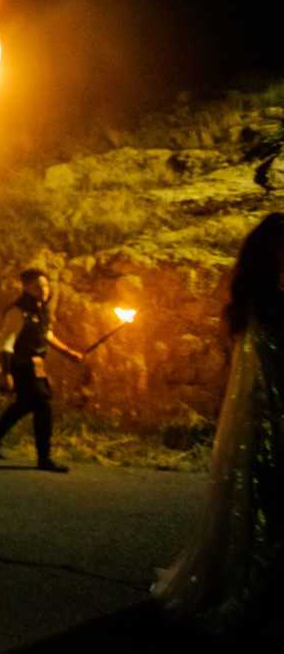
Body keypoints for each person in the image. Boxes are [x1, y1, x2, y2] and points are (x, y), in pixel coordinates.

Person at [152, 212, 282, 638]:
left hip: (262, 421)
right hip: (269, 424)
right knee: (267, 508)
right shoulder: (268, 306)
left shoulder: (252, 301)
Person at [0, 268, 84, 472]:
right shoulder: (18, 311)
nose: (43, 289)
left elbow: (47, 335)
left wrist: (69, 353)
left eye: (45, 285)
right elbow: (7, 344)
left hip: (36, 365)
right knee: (43, 406)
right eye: (37, 286)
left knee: (24, 405)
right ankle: (44, 458)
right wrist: (6, 373)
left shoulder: (40, 309)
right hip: (22, 365)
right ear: (26, 287)